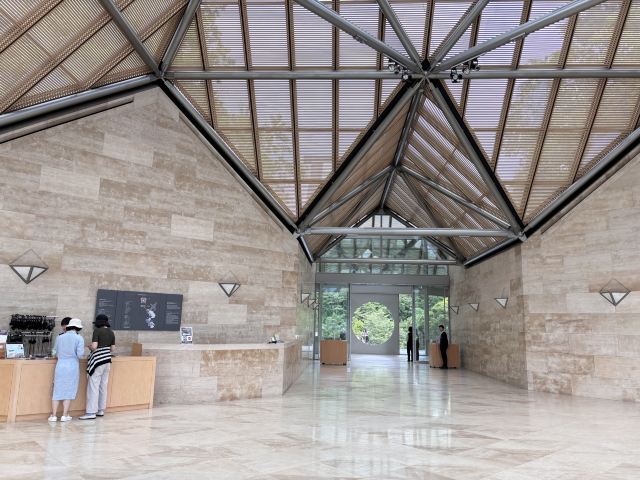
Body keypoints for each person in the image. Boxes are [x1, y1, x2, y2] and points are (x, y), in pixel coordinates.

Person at [79, 314, 116, 420]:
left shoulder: (97, 331)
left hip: (98, 361)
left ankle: (91, 412)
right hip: (107, 360)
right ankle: (100, 410)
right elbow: (113, 349)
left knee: (93, 386)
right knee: (103, 385)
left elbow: (94, 346)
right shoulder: (111, 332)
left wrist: (90, 347)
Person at [49, 318, 84, 422]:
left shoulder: (59, 337)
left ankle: (53, 415)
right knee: (69, 389)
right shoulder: (79, 338)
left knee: (57, 389)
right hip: (72, 366)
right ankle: (64, 415)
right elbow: (80, 355)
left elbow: (54, 352)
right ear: (78, 328)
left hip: (60, 365)